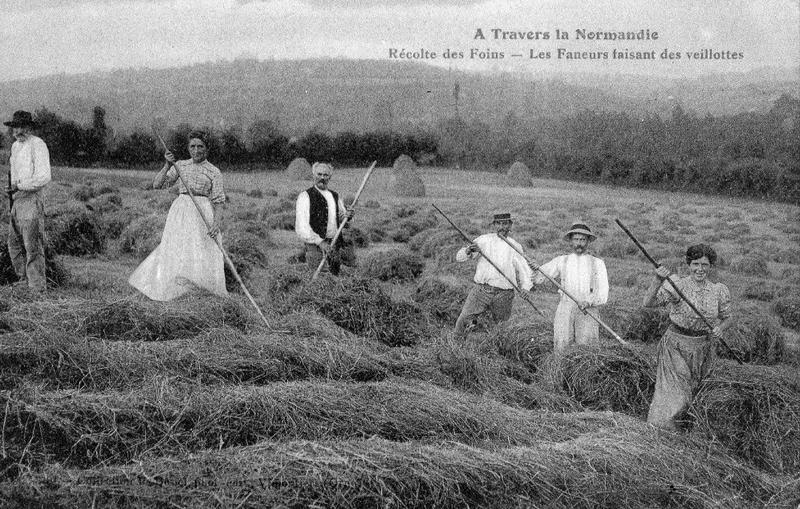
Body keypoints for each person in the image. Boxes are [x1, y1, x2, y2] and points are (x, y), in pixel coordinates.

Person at [642, 243, 733, 431]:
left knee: (693, 392)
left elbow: (728, 317)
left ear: (711, 267)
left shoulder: (718, 290)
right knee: (676, 394)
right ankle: (661, 432)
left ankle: (685, 433)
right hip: (676, 346)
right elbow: (648, 303)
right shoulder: (678, 286)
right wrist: (657, 279)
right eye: (696, 264)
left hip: (703, 348)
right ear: (689, 265)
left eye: (705, 265)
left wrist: (720, 328)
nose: (700, 269)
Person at [129, 131, 227, 301]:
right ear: (188, 148)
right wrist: (167, 165)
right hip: (181, 211)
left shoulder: (214, 172)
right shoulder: (180, 165)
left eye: (200, 146)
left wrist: (215, 224)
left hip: (202, 213)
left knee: (200, 252)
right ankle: (174, 293)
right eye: (192, 146)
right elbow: (157, 185)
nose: (196, 151)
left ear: (207, 148)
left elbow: (218, 202)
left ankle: (198, 295)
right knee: (177, 249)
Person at [530, 222, 608, 354]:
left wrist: (589, 301)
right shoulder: (562, 260)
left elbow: (603, 291)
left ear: (588, 241)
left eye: (583, 240)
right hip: (565, 308)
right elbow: (539, 278)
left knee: (587, 348)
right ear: (571, 241)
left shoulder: (598, 263)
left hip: (588, 309)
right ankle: (560, 372)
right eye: (576, 239)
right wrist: (535, 268)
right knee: (562, 344)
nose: (579, 244)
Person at [453, 213, 533, 340]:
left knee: (501, 328)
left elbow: (525, 271)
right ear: (494, 225)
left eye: (505, 223)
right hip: (481, 291)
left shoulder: (515, 246)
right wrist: (468, 250)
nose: (502, 227)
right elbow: (459, 257)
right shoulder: (483, 240)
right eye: (499, 223)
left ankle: (498, 351)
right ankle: (455, 346)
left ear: (510, 225)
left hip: (504, 294)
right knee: (464, 319)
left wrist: (525, 288)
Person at [4, 110, 51, 294]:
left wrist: (21, 185)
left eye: (22, 126)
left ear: (30, 128)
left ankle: (37, 289)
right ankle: (23, 281)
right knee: (14, 244)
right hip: (17, 200)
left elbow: (44, 177)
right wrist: (12, 188)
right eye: (15, 127)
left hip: (32, 198)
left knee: (32, 246)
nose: (18, 131)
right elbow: (14, 175)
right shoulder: (15, 147)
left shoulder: (38, 145)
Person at [294, 162, 354, 275]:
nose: (322, 177)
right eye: (319, 174)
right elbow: (302, 226)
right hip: (315, 247)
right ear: (313, 175)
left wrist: (348, 216)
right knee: (320, 279)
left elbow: (343, 220)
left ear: (330, 177)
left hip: (334, 245)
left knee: (335, 278)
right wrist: (320, 242)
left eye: (325, 175)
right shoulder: (305, 197)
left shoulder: (335, 196)